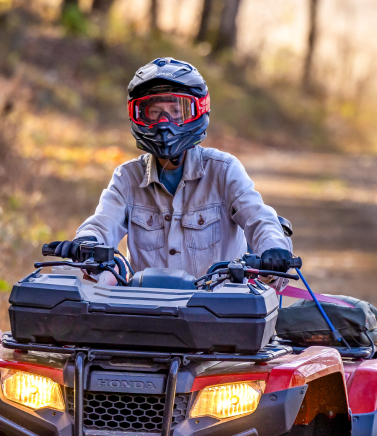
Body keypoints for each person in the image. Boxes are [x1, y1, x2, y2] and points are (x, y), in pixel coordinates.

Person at [46, 57, 294, 285]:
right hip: (147, 315)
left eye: (177, 112)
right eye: (154, 113)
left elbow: (260, 220)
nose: (164, 124)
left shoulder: (224, 171)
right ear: (137, 115)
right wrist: (86, 242)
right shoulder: (127, 179)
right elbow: (102, 224)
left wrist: (273, 250)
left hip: (221, 313)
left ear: (198, 110)